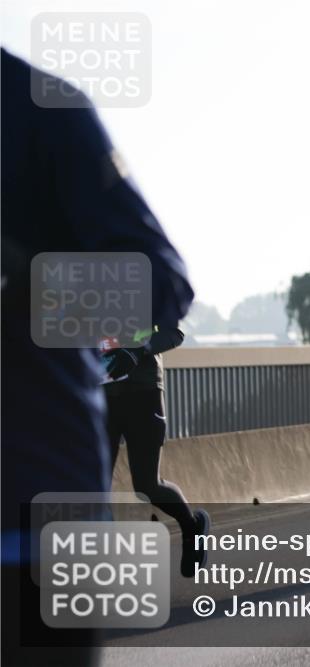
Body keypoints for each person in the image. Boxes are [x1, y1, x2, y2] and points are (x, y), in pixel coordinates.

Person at [1, 49, 194, 666]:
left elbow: (164, 285)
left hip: (30, 530)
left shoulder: (41, 108)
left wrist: (25, 285)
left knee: (144, 481)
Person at [102, 325, 210, 577]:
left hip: (143, 392)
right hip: (99, 396)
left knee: (147, 485)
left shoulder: (145, 288)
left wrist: (135, 350)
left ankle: (191, 526)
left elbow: (173, 333)